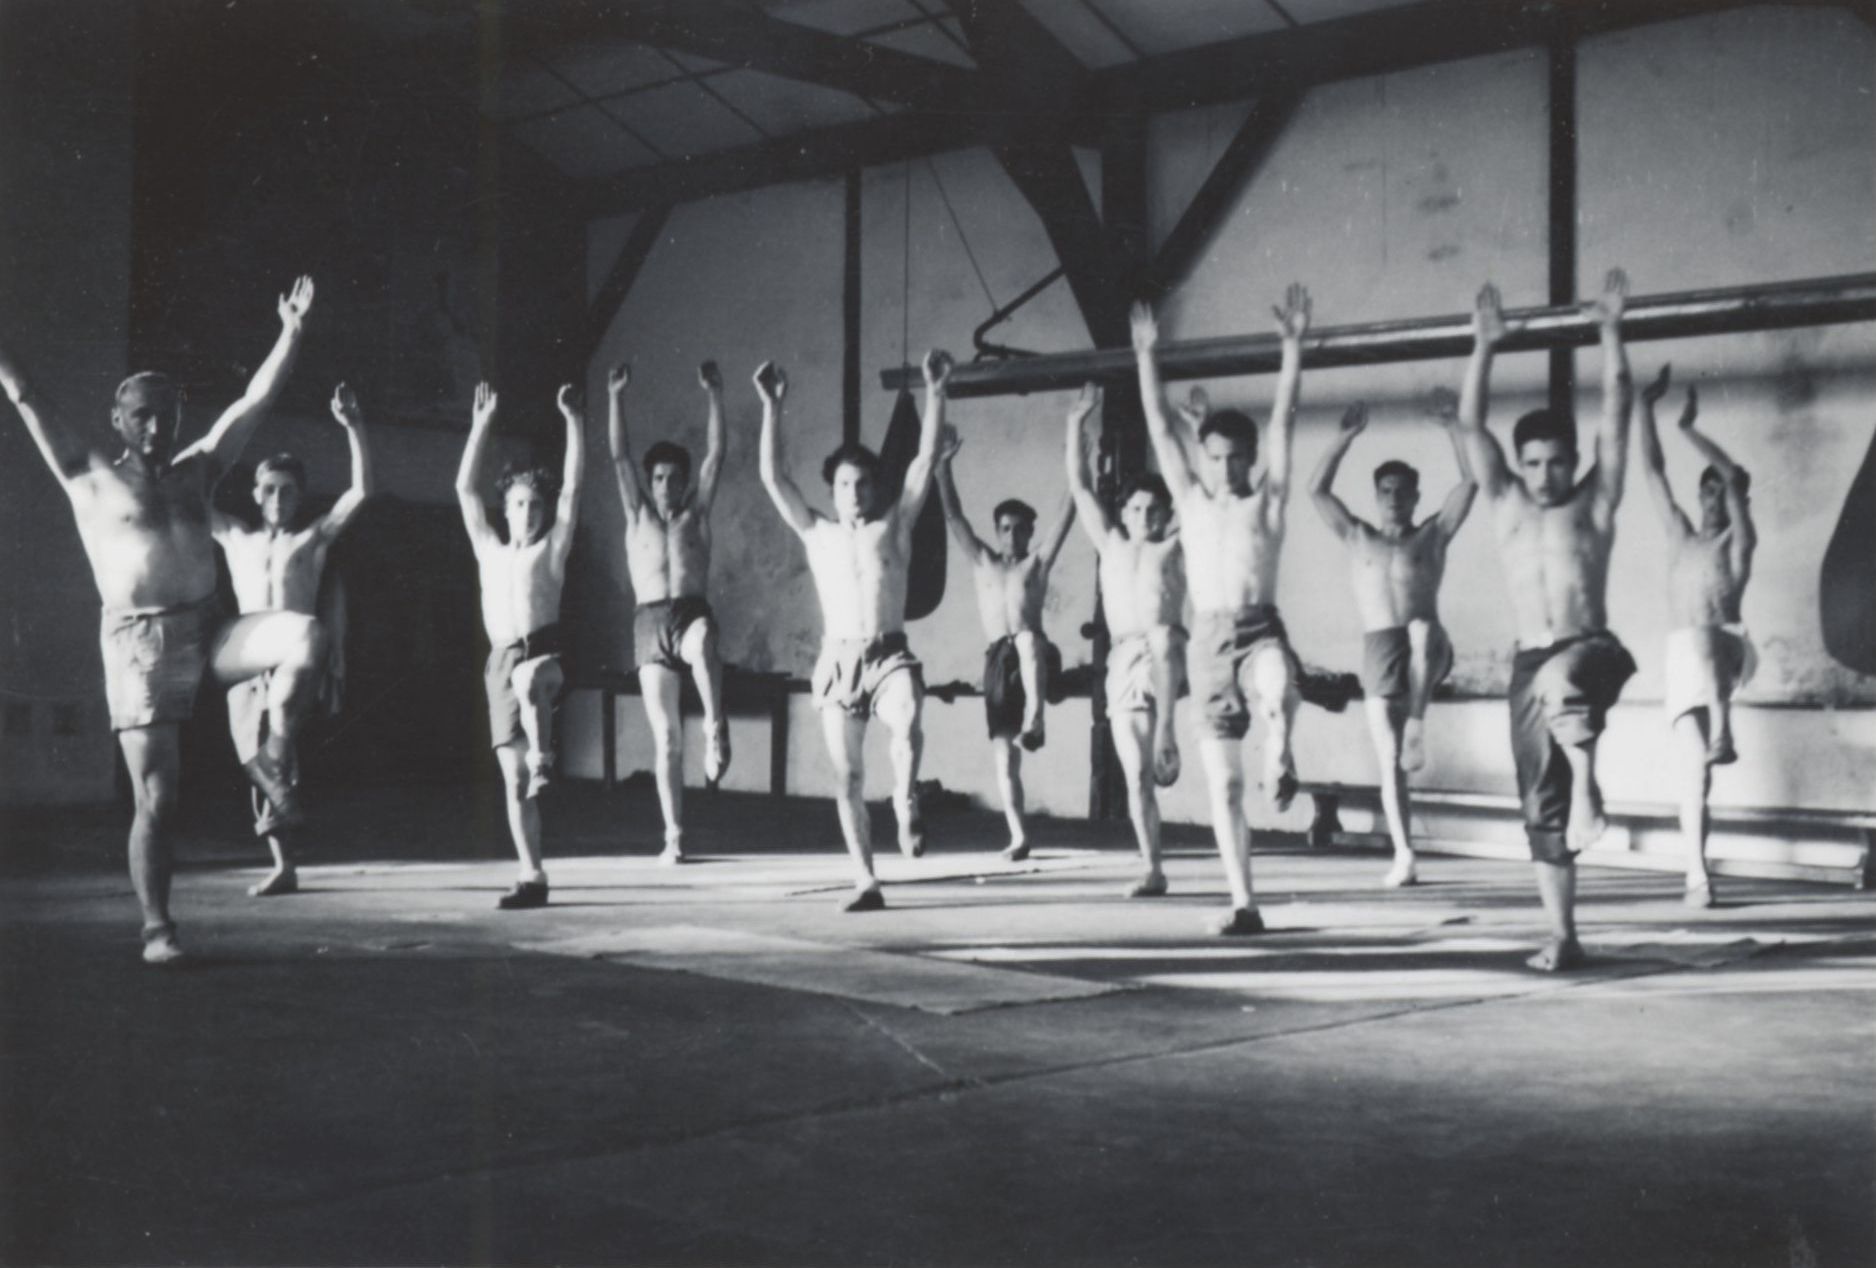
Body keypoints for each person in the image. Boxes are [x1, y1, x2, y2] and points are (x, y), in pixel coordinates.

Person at [0, 277, 323, 964]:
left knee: (304, 635)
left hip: (208, 628)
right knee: (160, 799)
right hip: (140, 645)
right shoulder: (87, 472)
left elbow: (254, 403)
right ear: (119, 421)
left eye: (169, 414)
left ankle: (270, 758)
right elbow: (26, 395)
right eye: (144, 415)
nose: (158, 426)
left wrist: (291, 334)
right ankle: (158, 928)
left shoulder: (196, 472)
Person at [1453, 274, 1637, 971]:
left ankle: (1591, 792)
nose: (1546, 475)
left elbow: (1616, 412)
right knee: (1538, 800)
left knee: (1564, 683)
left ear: (1574, 461)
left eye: (1558, 462)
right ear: (1519, 465)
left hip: (1591, 650)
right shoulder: (1505, 504)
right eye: (1533, 463)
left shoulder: (1594, 502)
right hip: (1528, 661)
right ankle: (1564, 935)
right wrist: (1484, 346)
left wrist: (1612, 331)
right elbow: (1472, 428)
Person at [1132, 285, 1311, 936]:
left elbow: (1286, 422)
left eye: (1239, 456)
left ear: (1251, 459)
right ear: (1202, 460)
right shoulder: (1192, 501)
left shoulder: (1266, 504)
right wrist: (1147, 355)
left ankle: (1281, 744)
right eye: (1217, 457)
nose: (1228, 466)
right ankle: (1244, 903)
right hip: (1206, 642)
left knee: (1276, 678)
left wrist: (1291, 348)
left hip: (1257, 623)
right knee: (1226, 789)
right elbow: (1157, 425)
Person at [756, 351, 946, 911]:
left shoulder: (897, 525)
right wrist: (772, 406)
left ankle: (906, 796)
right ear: (833, 490)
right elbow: (772, 477)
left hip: (889, 654)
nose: (855, 493)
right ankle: (867, 881)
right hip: (839, 660)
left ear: (873, 487)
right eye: (844, 484)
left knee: (908, 719)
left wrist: (936, 390)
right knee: (847, 777)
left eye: (863, 483)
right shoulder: (817, 533)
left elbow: (925, 458)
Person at [212, 382, 374, 897]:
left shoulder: (312, 540)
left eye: (287, 489)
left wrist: (354, 427)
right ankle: (284, 864)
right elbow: (194, 496)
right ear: (256, 494)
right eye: (269, 489)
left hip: (293, 662)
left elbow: (362, 493)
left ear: (299, 495)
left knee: (278, 753)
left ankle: (284, 863)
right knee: (255, 761)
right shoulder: (236, 536)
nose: (278, 498)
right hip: (246, 661)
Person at [1309, 392, 1477, 886]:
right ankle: (1405, 855)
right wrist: (1344, 437)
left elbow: (1470, 482)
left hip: (1427, 642)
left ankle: (1418, 723)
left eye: (1403, 490)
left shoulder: (1433, 535)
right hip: (1379, 647)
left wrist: (1454, 429)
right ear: (1377, 494)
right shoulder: (1358, 536)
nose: (1394, 498)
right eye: (1386, 490)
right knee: (1390, 762)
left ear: (1416, 496)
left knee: (1423, 631)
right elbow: (1316, 491)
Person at [456, 380, 584, 910]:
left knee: (532, 679)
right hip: (501, 661)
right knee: (514, 778)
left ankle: (547, 756)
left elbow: (574, 489)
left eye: (535, 505)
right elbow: (464, 490)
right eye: (518, 504)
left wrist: (574, 420)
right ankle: (533, 876)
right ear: (505, 509)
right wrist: (481, 425)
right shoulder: (489, 550)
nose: (528, 513)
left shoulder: (552, 550)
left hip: (546, 653)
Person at [1635, 363, 1757, 906]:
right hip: (1686, 657)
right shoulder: (1681, 535)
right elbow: (1655, 473)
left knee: (1706, 635)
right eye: (1706, 492)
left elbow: (1733, 476)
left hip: (1729, 646)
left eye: (1721, 494)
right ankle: (1696, 875)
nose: (1712, 499)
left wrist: (1689, 430)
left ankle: (1724, 728)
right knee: (1693, 776)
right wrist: (1646, 410)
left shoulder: (1738, 543)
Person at [1065, 383, 1188, 897]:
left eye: (1154, 511)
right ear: (1124, 513)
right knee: (1136, 775)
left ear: (1166, 515)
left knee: (1161, 636)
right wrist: (1076, 424)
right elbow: (1078, 485)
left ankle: (1168, 734)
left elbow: (1201, 498)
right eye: (1136, 510)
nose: (1144, 519)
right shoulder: (1111, 543)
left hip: (1165, 648)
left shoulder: (1176, 547)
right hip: (1123, 660)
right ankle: (1153, 869)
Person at [934, 420, 1074, 862]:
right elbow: (954, 517)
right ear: (996, 531)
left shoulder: (1037, 564)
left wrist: (1078, 464)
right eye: (1005, 528)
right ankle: (1018, 836)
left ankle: (1037, 718)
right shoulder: (983, 562)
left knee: (1029, 640)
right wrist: (942, 467)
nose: (1012, 535)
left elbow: (1067, 514)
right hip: (998, 661)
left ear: (1030, 533)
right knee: (1004, 759)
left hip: (1035, 654)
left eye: (1019, 529)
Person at [608, 359, 729, 864]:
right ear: (650, 482)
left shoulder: (696, 514)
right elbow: (618, 456)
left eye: (673, 477)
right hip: (649, 623)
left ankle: (716, 726)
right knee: (665, 739)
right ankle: (674, 835)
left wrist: (715, 394)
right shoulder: (636, 515)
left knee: (702, 643)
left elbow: (717, 454)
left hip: (689, 612)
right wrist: (614, 395)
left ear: (683, 482)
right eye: (657, 478)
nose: (664, 485)